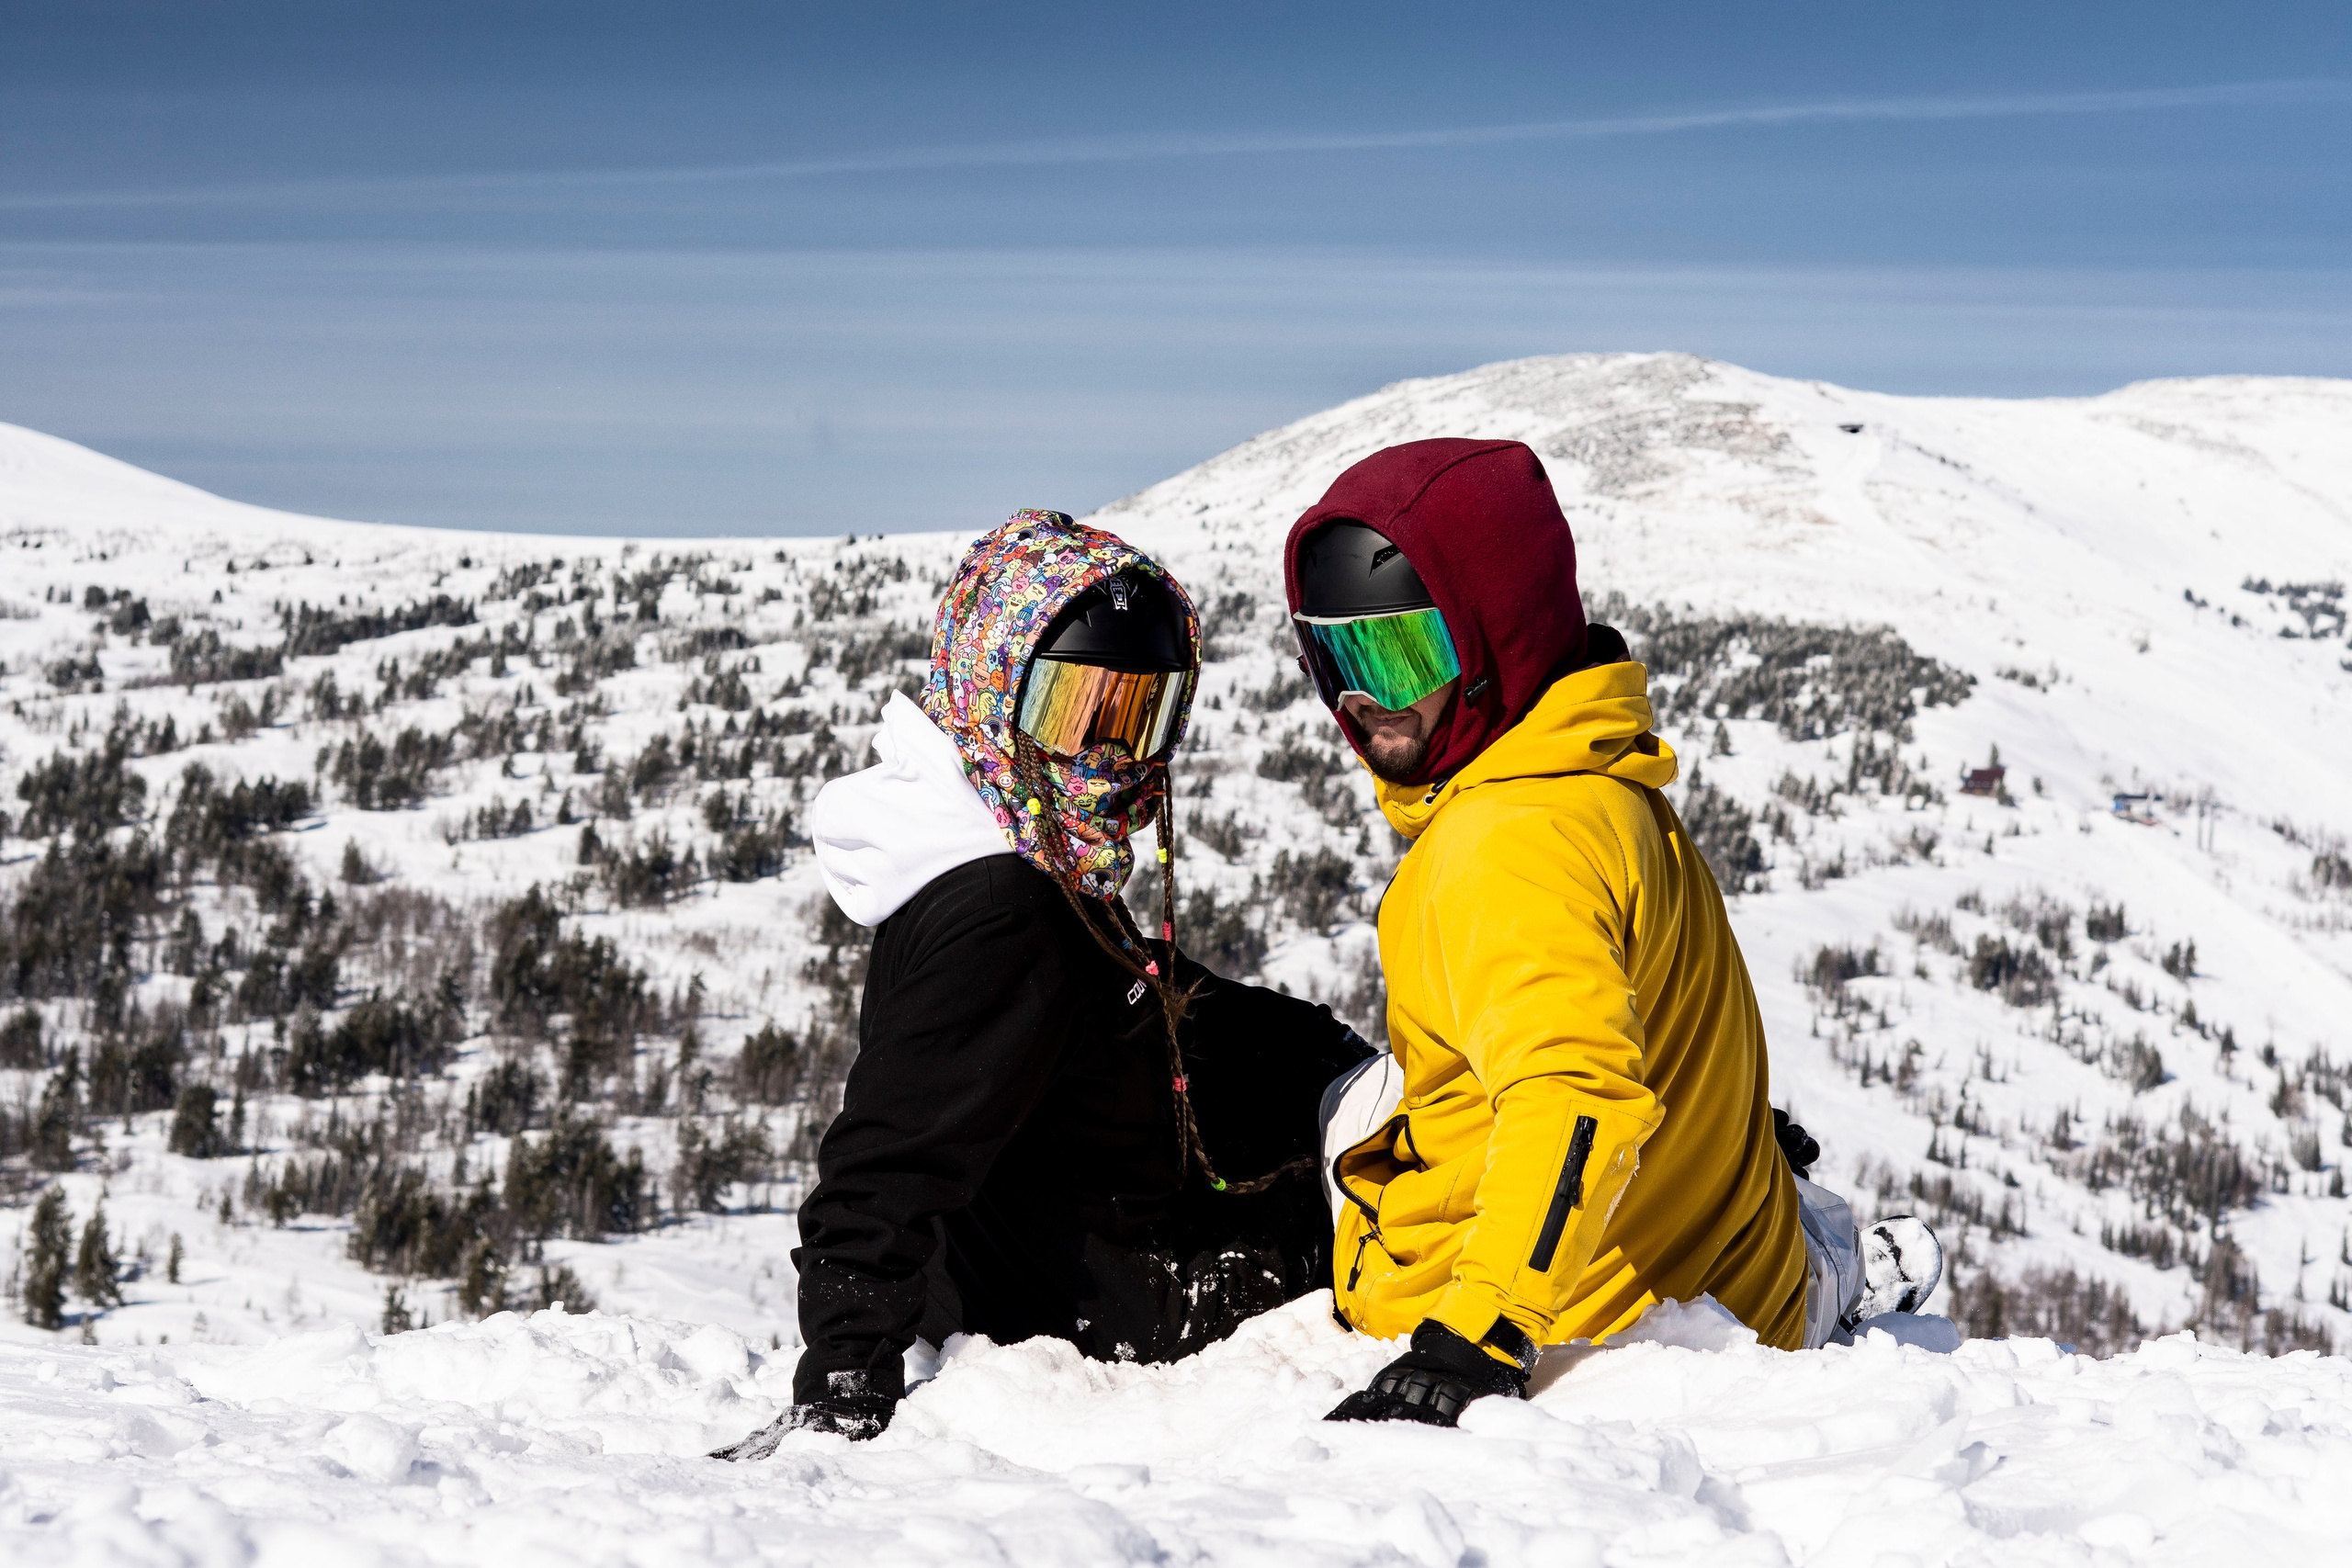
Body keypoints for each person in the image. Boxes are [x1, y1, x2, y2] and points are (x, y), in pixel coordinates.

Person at [1286, 440, 1940, 1428]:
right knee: (1784, 1201)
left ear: (1493, 634)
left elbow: (1568, 1097)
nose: (1359, 697)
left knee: (1342, 1095)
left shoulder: (1502, 844)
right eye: (1335, 656)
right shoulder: (1596, 775)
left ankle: (1831, 1276)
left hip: (1563, 1304)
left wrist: (1473, 1340)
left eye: (1396, 653)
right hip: (1721, 1254)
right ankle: (1818, 1246)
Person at [717, 509, 1372, 1458]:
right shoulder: (1005, 909)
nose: (1109, 754)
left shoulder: (1008, 851)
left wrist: (1319, 1051)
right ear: (995, 691)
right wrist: (846, 1374)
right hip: (1105, 1312)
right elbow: (888, 1156)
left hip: (1057, 1255)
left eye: (1136, 717)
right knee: (1380, 1205)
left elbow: (1143, 995)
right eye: (1077, 714)